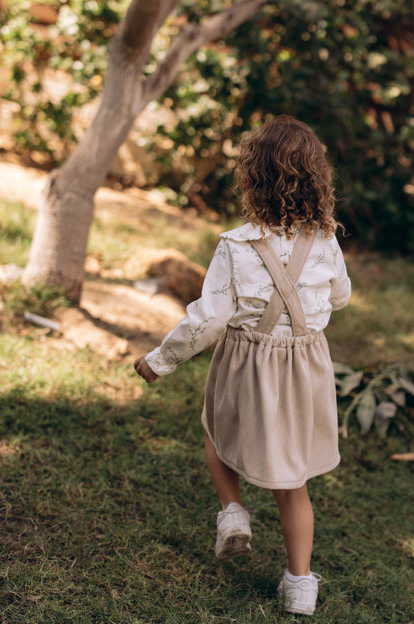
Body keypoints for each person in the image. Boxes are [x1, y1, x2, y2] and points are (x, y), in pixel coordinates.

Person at [134, 115, 351, 616]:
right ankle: (300, 584)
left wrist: (158, 361)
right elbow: (340, 298)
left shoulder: (236, 244)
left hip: (246, 361)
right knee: (291, 479)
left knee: (218, 429)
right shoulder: (326, 240)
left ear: (252, 178)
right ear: (318, 177)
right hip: (304, 366)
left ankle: (232, 512)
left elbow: (209, 318)